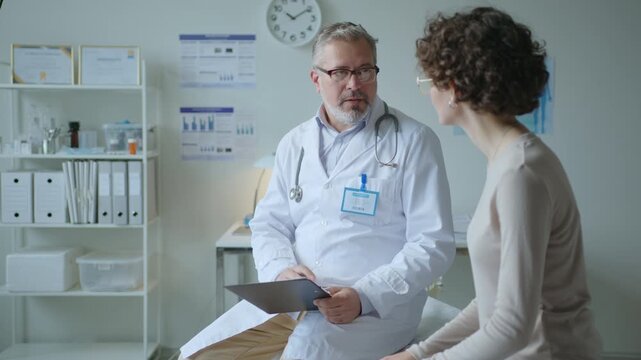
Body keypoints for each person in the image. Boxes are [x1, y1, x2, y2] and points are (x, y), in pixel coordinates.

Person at [179, 22, 455, 360]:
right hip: (294, 304)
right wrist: (281, 270)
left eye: (365, 70)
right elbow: (270, 224)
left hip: (374, 313)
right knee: (197, 354)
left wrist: (364, 296)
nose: (355, 84)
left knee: (304, 355)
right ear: (316, 79)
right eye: (340, 72)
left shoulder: (413, 141)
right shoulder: (295, 143)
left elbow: (433, 244)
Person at [383, 6, 601, 360]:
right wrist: (417, 354)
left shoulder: (520, 173)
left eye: (429, 82)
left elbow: (511, 327)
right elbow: (495, 303)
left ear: (454, 87)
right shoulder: (508, 161)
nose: (428, 93)